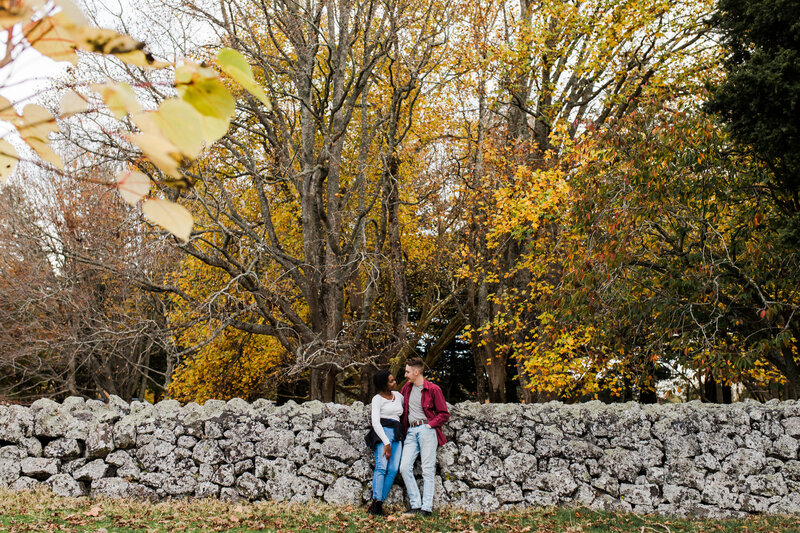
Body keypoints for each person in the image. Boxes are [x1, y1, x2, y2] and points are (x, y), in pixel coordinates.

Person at [398, 356, 450, 516]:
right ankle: (415, 505)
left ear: (416, 372)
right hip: (411, 432)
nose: (405, 375)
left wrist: (429, 425)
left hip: (427, 430)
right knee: (404, 467)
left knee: (428, 470)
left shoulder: (433, 389)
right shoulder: (406, 389)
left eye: (407, 372)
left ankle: (426, 508)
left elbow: (444, 414)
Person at [365, 369, 404, 516]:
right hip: (383, 434)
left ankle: (378, 504)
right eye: (391, 381)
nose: (395, 382)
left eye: (394, 380)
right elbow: (375, 422)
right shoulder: (377, 399)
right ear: (383, 384)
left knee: (393, 469)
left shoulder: (399, 396)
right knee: (381, 467)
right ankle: (376, 503)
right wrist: (386, 443)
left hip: (397, 434)